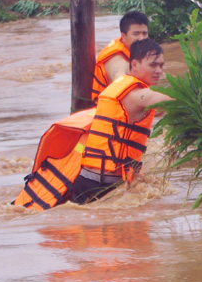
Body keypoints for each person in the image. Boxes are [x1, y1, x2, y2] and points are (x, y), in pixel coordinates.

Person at [71, 38, 172, 204]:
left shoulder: (123, 87)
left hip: (90, 180)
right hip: (100, 185)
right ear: (134, 65)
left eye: (161, 65)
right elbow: (165, 100)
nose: (159, 70)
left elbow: (158, 109)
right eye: (153, 65)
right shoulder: (137, 94)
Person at [92, 11, 150, 103]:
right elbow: (120, 81)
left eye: (144, 33)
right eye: (136, 34)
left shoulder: (132, 49)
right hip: (105, 112)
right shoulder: (117, 59)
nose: (141, 38)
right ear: (123, 36)